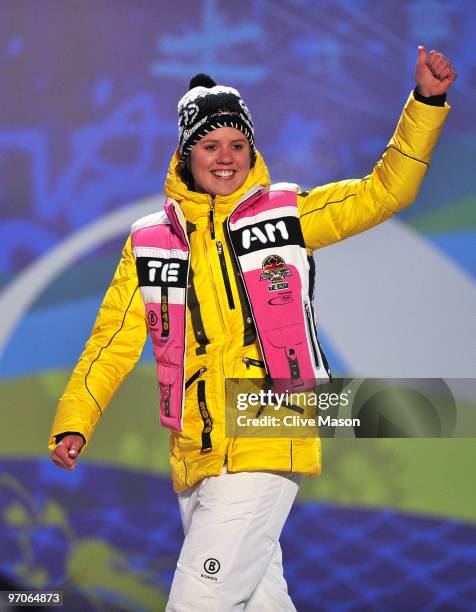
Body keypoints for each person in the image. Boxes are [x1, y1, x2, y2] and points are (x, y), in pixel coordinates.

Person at [49, 46, 456, 610]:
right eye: (211, 145)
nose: (225, 157)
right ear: (186, 154)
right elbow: (113, 340)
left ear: (252, 150)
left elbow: (384, 191)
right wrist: (75, 420)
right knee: (260, 603)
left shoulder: (285, 214)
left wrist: (426, 102)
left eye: (237, 145)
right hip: (193, 446)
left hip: (269, 424)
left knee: (197, 602)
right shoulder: (149, 241)